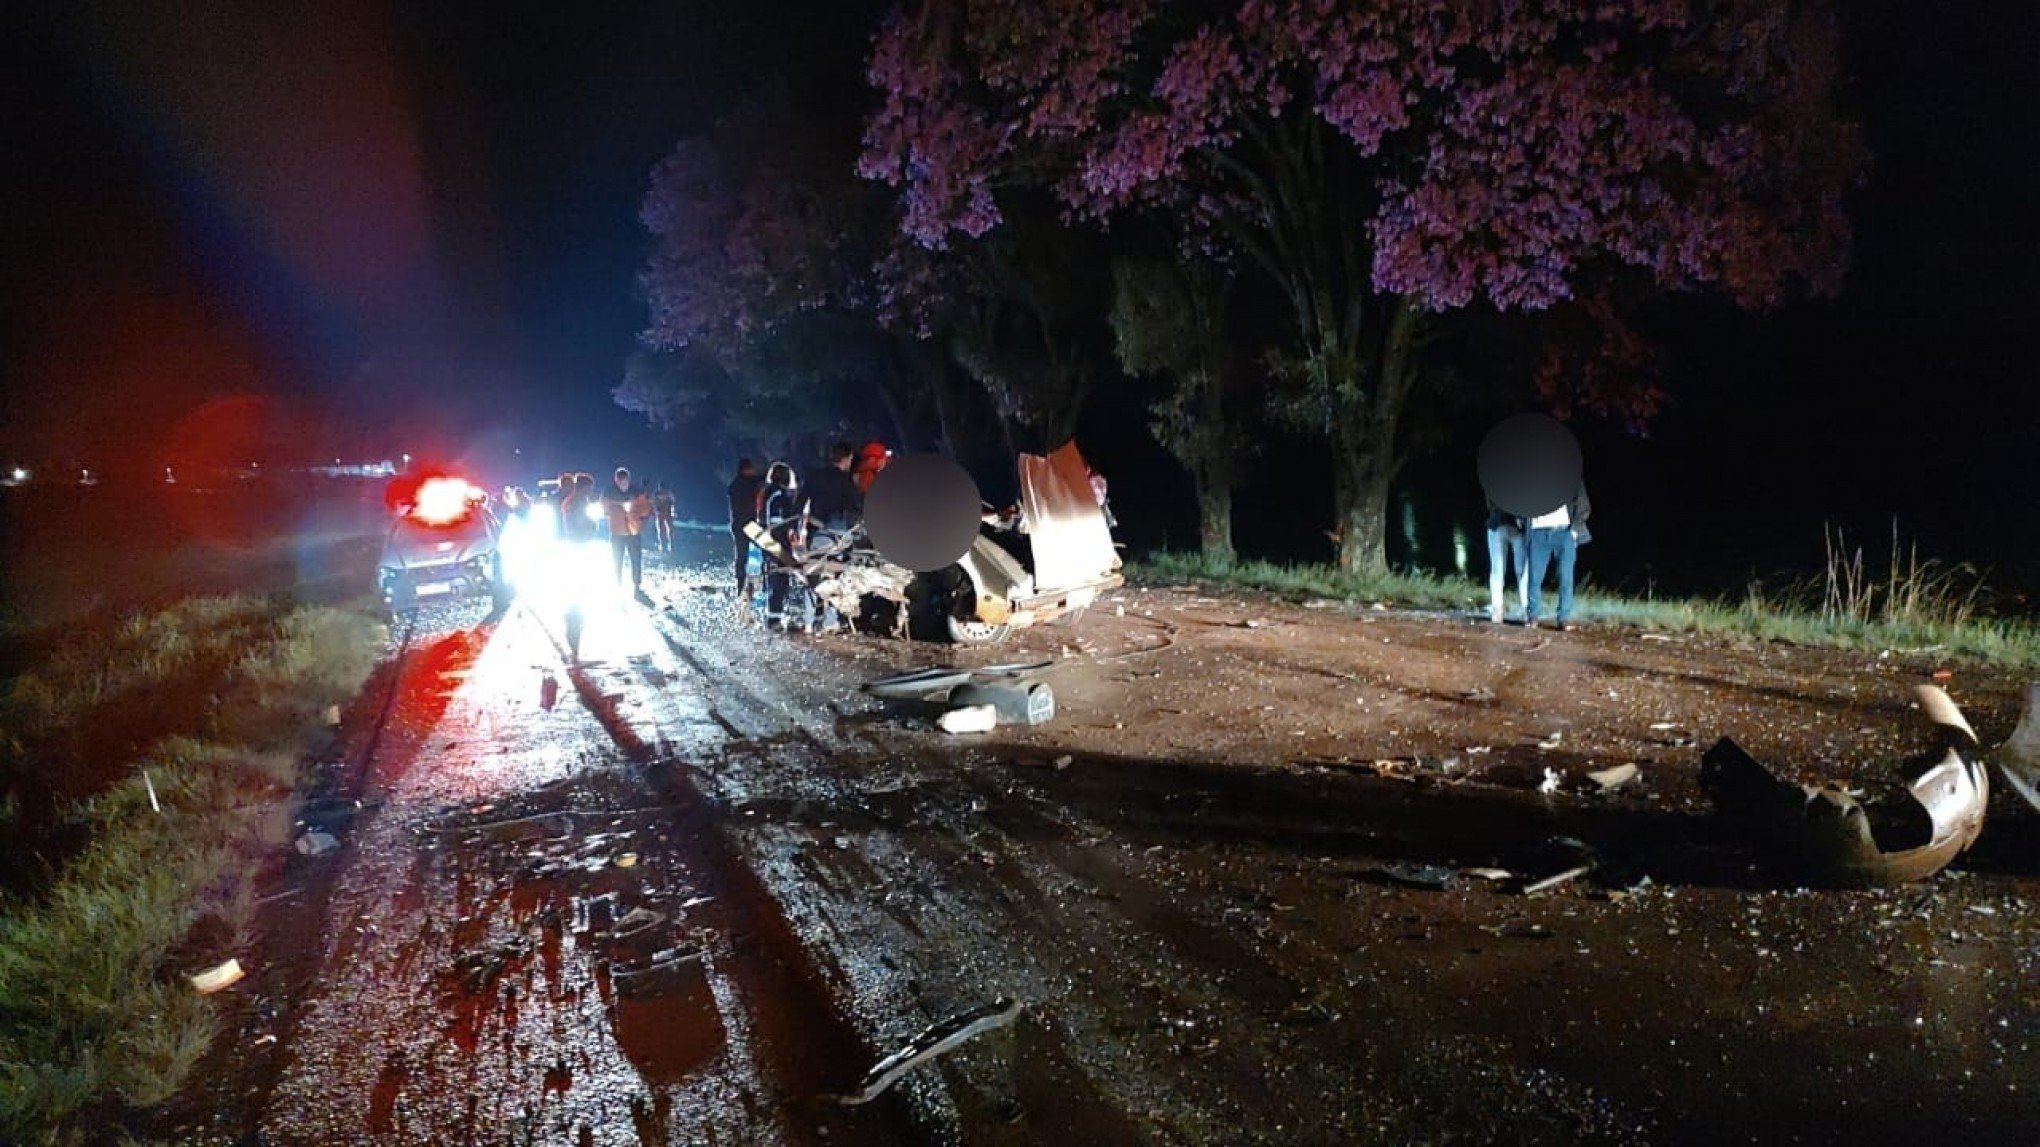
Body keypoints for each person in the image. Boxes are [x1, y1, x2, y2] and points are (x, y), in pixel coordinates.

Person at [1525, 483, 1591, 631]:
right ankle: (1533, 616)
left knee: (1565, 576)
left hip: (1564, 531)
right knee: (1534, 577)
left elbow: (1583, 504)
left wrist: (1574, 530)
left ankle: (1564, 618)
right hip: (1538, 532)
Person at [760, 461, 807, 630]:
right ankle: (774, 621)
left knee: (777, 580)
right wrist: (786, 549)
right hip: (775, 544)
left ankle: (775, 617)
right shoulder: (779, 497)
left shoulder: (768, 493)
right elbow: (779, 523)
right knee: (780, 582)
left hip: (767, 541)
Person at [601, 466, 652, 594]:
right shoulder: (608, 492)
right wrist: (617, 507)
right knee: (617, 559)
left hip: (633, 531)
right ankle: (617, 583)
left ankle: (636, 585)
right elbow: (604, 509)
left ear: (628, 479)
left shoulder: (637, 491)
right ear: (616, 480)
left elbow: (646, 509)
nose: (622, 483)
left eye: (624, 480)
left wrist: (636, 512)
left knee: (636, 559)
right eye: (620, 480)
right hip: (617, 532)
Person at [1484, 498, 1530, 624]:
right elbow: (1491, 502)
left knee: (1522, 571)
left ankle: (1527, 609)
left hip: (1519, 529)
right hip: (1498, 525)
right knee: (1497, 570)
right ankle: (1497, 608)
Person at [726, 458, 765, 594]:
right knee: (766, 549)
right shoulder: (749, 482)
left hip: (737, 524)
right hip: (750, 524)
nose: (753, 471)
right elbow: (761, 478)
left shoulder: (733, 485)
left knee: (741, 555)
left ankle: (740, 584)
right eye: (751, 469)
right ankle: (766, 581)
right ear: (746, 469)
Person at [806, 441, 862, 532]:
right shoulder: (846, 480)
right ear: (846, 459)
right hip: (838, 530)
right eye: (850, 459)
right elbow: (854, 505)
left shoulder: (814, 476)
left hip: (815, 527)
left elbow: (801, 501)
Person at [651, 481, 676, 553]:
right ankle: (664, 545)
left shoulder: (667, 493)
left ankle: (669, 545)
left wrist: (672, 512)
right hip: (661, 514)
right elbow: (654, 503)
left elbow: (673, 502)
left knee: (668, 530)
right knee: (662, 530)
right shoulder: (657, 494)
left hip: (666, 513)